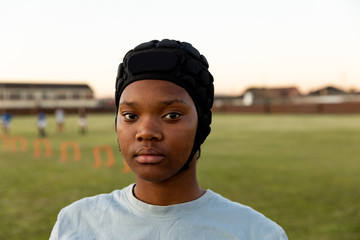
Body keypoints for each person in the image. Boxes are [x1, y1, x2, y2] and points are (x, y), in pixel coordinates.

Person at [50, 39, 288, 239]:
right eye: (130, 115)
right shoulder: (76, 223)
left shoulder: (256, 233)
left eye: (172, 115)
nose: (146, 131)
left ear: (202, 124)